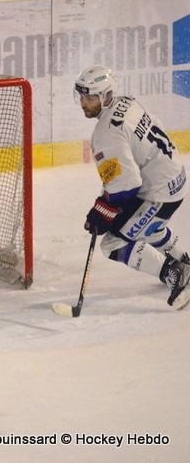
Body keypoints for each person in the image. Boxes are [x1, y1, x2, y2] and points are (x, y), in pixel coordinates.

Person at [75, 65, 189, 309]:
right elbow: (122, 178)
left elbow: (126, 186)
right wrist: (104, 205)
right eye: (82, 96)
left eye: (90, 97)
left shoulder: (105, 134)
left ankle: (176, 273)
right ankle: (183, 259)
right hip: (174, 176)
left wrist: (102, 212)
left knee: (113, 243)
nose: (84, 103)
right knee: (149, 229)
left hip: (160, 192)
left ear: (105, 96)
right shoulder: (127, 102)